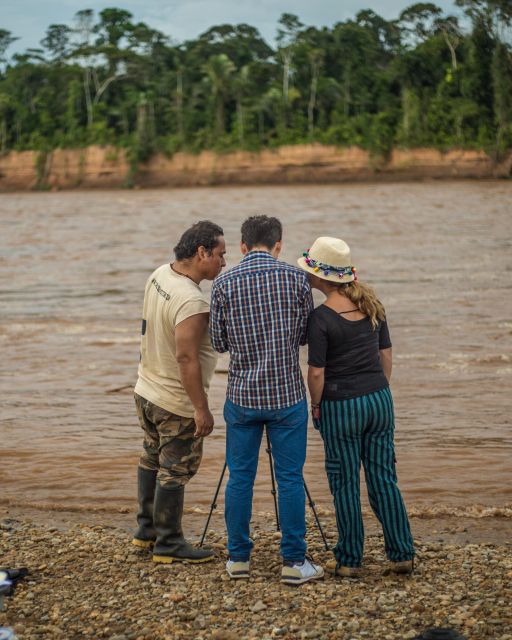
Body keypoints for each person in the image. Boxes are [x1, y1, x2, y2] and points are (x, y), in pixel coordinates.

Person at [209, 215, 324, 585]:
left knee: (240, 478)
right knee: (290, 478)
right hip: (287, 396)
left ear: (242, 246)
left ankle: (238, 559)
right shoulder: (296, 279)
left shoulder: (223, 281)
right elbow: (306, 335)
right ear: (279, 245)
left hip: (242, 395)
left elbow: (219, 342)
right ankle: (293, 561)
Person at [297, 236, 415, 577]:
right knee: (383, 478)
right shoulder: (372, 304)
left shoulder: (320, 318)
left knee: (344, 481)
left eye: (310, 273)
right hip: (379, 400)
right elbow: (386, 356)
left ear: (321, 278)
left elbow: (316, 373)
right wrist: (378, 389)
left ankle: (349, 559)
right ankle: (402, 553)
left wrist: (315, 407)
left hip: (340, 406)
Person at [133, 220, 226, 564]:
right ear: (201, 252)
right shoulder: (192, 301)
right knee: (175, 469)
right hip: (174, 400)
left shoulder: (159, 274)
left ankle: (146, 533)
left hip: (145, 388)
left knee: (151, 457)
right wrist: (201, 408)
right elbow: (186, 358)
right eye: (220, 254)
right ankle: (169, 542)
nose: (223, 262)